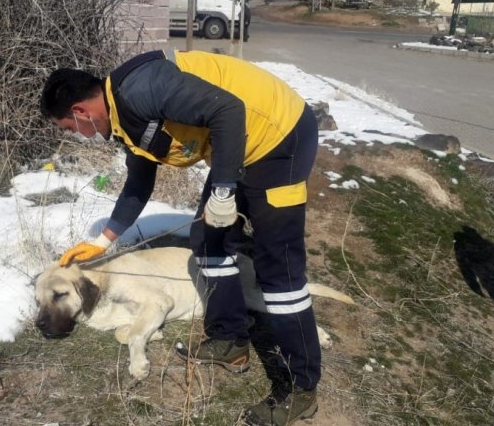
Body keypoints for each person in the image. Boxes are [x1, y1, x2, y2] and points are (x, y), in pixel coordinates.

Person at [40, 49, 320, 425]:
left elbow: (228, 110)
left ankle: (301, 389)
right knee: (207, 243)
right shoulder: (126, 121)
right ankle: (230, 339)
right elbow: (139, 182)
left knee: (278, 270)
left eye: (70, 129)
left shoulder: (141, 89)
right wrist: (104, 240)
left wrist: (222, 191)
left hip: (279, 135)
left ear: (80, 112)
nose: (78, 136)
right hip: (238, 147)